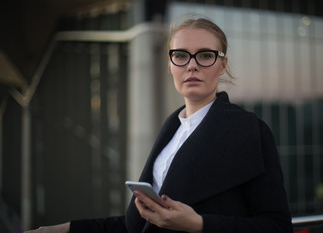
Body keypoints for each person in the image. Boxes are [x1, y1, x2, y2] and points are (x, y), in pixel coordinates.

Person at [25, 17, 292, 233]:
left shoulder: (249, 130)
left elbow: (277, 226)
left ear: (222, 65)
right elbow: (137, 226)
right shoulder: (171, 130)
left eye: (205, 55)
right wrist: (62, 229)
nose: (192, 66)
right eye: (181, 55)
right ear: (170, 64)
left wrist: (199, 225)